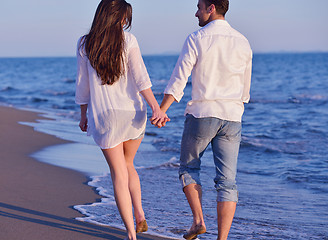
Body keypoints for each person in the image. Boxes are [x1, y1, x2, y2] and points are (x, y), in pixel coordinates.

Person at [153, 0, 252, 239]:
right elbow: (245, 89)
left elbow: (179, 78)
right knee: (228, 182)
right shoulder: (243, 41)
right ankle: (222, 238)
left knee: (188, 168)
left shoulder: (197, 38)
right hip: (232, 116)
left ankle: (198, 221)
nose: (195, 12)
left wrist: (162, 109)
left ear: (211, 8)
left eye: (199, 6)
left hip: (202, 114)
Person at [75, 0, 169, 239]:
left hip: (105, 116)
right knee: (129, 165)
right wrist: (157, 108)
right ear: (116, 17)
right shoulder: (129, 40)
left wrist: (83, 113)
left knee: (118, 172)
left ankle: (130, 233)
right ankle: (139, 214)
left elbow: (83, 84)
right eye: (124, 18)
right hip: (133, 114)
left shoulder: (85, 44)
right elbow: (141, 79)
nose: (125, 22)